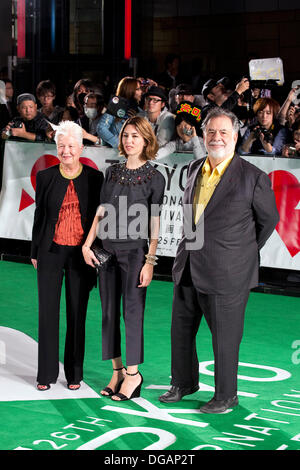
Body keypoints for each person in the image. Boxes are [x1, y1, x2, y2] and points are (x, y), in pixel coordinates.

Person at [159, 107, 279, 413]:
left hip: (228, 272)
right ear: (203, 135)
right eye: (211, 132)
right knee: (181, 330)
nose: (217, 137)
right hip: (187, 264)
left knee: (225, 338)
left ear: (235, 137)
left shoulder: (254, 178)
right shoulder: (193, 168)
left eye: (224, 132)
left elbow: (268, 221)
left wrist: (241, 251)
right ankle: (183, 383)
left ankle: (227, 395)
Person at [82, 116, 165, 401]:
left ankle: (133, 374)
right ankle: (116, 371)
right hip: (105, 251)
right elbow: (101, 210)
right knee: (107, 313)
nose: (129, 140)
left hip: (135, 253)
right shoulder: (112, 172)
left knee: (132, 313)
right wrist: (87, 243)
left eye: (135, 136)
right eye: (126, 135)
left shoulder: (156, 177)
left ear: (146, 140)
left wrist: (150, 262)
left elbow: (155, 222)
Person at [31, 120, 103, 391]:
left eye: (71, 145)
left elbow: (98, 219)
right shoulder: (46, 176)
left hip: (80, 256)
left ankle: (74, 374)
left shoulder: (95, 178)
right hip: (49, 252)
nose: (66, 151)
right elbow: (39, 215)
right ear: (56, 147)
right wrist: (34, 251)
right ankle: (45, 374)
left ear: (81, 148)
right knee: (47, 314)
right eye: (62, 146)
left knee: (77, 313)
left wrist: (95, 252)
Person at [97, 77, 143, 148]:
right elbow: (101, 128)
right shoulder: (115, 107)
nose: (141, 92)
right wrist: (119, 144)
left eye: (140, 89)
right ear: (129, 91)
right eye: (137, 89)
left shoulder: (139, 111)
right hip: (116, 155)